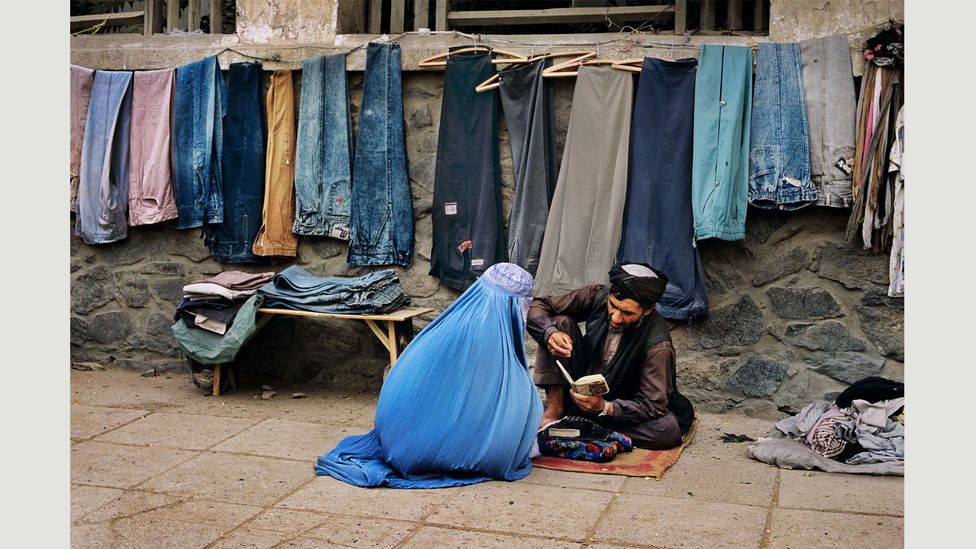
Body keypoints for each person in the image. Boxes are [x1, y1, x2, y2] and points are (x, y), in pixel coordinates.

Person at [315, 262, 542, 488]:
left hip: (392, 435)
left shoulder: (451, 324)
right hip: (420, 452)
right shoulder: (488, 341)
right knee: (527, 406)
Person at [527, 262, 695, 449]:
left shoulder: (658, 346)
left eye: (627, 312)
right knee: (557, 324)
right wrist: (549, 333)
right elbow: (538, 305)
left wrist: (605, 407)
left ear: (648, 310)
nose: (615, 318)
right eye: (613, 306)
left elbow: (651, 406)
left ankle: (586, 424)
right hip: (583, 389)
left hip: (621, 405)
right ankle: (555, 412)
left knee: (666, 430)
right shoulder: (597, 295)